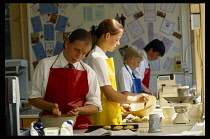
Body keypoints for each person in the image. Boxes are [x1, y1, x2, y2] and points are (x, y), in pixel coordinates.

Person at [27, 29, 102, 129]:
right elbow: (33, 98)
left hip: (79, 128)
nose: (79, 56)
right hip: (50, 127)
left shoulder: (89, 72)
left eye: (84, 53)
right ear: (67, 43)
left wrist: (80, 110)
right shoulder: (45, 65)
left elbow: (95, 106)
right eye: (76, 50)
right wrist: (50, 106)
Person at [86, 18, 149, 126]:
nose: (118, 43)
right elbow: (109, 95)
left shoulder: (101, 56)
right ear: (107, 36)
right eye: (117, 39)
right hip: (102, 116)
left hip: (108, 111)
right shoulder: (97, 58)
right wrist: (135, 99)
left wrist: (119, 105)